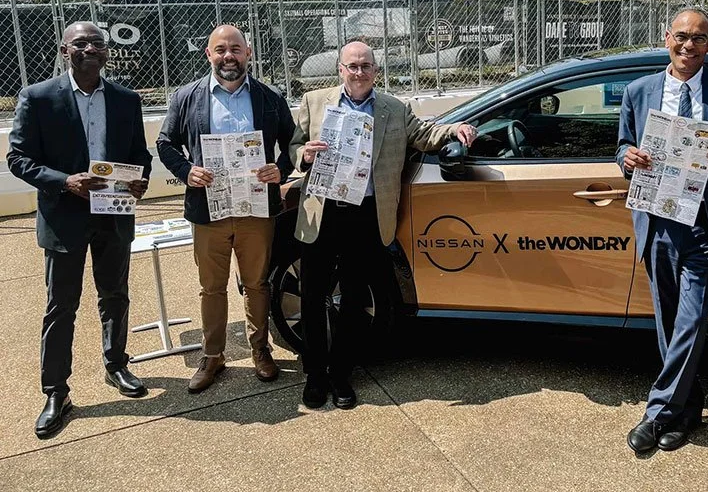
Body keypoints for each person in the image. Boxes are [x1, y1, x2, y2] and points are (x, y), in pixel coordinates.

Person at [289, 41, 477, 409]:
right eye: (352, 66)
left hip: (368, 214)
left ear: (376, 70)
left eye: (366, 66)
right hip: (322, 212)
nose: (359, 72)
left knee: (356, 299)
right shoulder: (314, 102)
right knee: (312, 296)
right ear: (340, 69)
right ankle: (315, 374)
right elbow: (294, 146)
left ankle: (341, 372)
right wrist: (304, 154)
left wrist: (455, 129)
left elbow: (424, 135)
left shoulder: (394, 108)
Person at [617, 8, 708, 454]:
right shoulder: (638, 90)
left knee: (691, 319)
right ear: (666, 38)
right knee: (669, 322)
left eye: (699, 38)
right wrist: (628, 159)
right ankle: (686, 410)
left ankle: (657, 412)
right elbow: (623, 145)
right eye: (681, 36)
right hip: (659, 220)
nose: (689, 46)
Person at [7, 21, 153, 438]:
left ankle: (116, 365)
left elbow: (137, 155)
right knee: (61, 306)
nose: (91, 48)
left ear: (107, 52)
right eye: (81, 43)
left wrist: (138, 180)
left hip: (113, 213)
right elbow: (19, 158)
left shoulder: (126, 99)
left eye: (98, 43)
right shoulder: (38, 98)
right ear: (64, 49)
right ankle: (56, 391)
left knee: (115, 296)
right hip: (64, 217)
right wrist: (64, 181)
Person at [157, 24, 295, 393]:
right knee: (212, 287)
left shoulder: (269, 97)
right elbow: (165, 143)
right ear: (208, 54)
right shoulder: (188, 97)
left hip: (256, 208)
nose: (228, 56)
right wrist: (187, 172)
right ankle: (213, 355)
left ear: (248, 53)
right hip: (209, 209)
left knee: (257, 283)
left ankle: (260, 350)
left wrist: (280, 168)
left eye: (235, 48)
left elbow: (291, 143)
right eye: (220, 49)